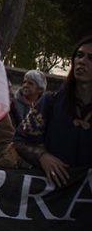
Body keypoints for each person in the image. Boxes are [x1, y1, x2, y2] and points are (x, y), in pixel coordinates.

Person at [13, 35, 92, 184]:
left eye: (91, 58)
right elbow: (19, 141)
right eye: (79, 55)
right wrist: (42, 156)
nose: (82, 61)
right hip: (51, 188)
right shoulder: (51, 102)